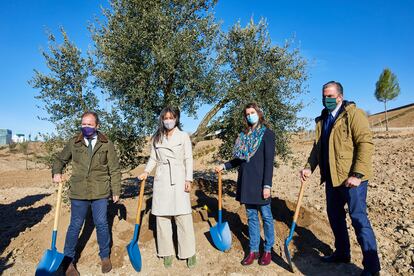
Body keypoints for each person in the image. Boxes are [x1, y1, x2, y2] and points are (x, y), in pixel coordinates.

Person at [300, 81, 381, 276]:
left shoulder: (353, 114)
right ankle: (342, 253)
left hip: (351, 180)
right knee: (335, 218)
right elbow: (317, 148)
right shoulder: (322, 120)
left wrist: (357, 174)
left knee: (358, 219)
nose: (325, 99)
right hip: (331, 179)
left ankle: (372, 267)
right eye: (323, 95)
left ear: (339, 97)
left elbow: (365, 143)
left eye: (329, 95)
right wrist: (309, 167)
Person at [52, 111, 121, 275]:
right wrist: (56, 172)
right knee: (75, 225)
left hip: (100, 191)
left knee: (102, 223)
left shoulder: (106, 144)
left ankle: (105, 256)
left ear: (97, 126)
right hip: (79, 191)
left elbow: (115, 169)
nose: (86, 127)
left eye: (90, 124)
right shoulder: (74, 142)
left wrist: (116, 190)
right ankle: (68, 261)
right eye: (83, 124)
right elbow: (60, 160)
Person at [216, 102, 275, 266]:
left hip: (261, 183)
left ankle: (268, 250)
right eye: (247, 114)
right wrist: (224, 166)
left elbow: (269, 162)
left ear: (259, 113)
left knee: (266, 217)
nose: (250, 116)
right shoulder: (243, 136)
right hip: (246, 182)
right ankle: (253, 250)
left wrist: (267, 185)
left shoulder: (267, 134)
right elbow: (238, 159)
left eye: (252, 112)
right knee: (251, 218)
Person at [138, 107, 196, 269]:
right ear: (162, 120)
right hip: (162, 179)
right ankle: (167, 252)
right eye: (166, 118)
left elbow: (188, 159)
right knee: (162, 217)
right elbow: (153, 159)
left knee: (183, 215)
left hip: (179, 177)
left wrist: (188, 179)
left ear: (176, 119)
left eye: (171, 117)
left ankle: (188, 252)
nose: (168, 121)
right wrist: (146, 171)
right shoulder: (157, 137)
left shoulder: (184, 136)